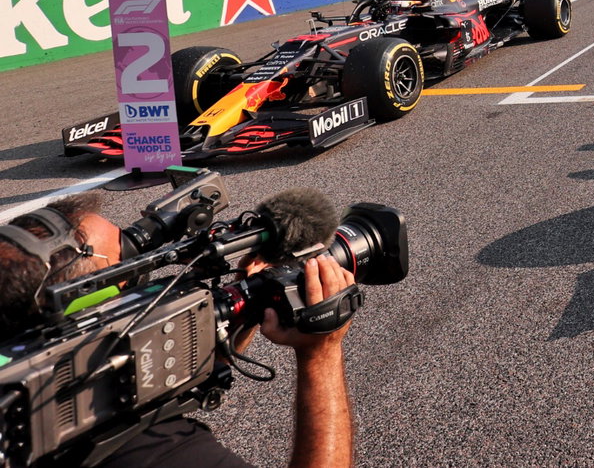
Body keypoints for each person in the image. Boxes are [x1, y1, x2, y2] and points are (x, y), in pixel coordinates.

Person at [0, 192, 356, 468]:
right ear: (86, 305)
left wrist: (244, 303)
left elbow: (170, 368)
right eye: (130, 272)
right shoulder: (145, 448)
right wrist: (321, 353)